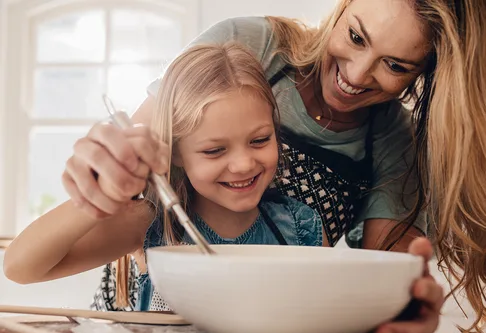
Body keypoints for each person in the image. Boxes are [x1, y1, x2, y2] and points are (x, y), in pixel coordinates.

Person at [4, 42, 325, 312]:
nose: (243, 164)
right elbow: (20, 268)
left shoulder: (301, 226)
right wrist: (101, 194)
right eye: (214, 151)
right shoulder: (151, 224)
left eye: (259, 140)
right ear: (175, 154)